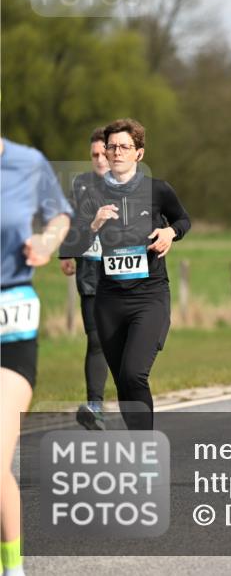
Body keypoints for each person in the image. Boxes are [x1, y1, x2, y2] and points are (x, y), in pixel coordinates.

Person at [60, 119, 191, 430]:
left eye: (124, 147)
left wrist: (170, 232)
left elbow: (183, 219)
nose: (117, 152)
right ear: (104, 152)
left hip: (149, 296)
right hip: (109, 300)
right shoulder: (91, 192)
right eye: (112, 147)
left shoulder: (158, 190)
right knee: (122, 381)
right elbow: (70, 243)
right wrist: (92, 224)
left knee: (134, 373)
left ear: (139, 154)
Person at [1, 137, 72, 576]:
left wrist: (47, 240)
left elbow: (60, 214)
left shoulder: (28, 163)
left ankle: (13, 568)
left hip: (10, 322)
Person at [59, 128, 111, 430]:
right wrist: (66, 253)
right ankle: (95, 405)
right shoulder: (80, 185)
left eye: (105, 153)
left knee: (119, 341)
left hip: (121, 275)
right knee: (95, 338)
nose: (101, 159)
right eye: (95, 155)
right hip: (90, 273)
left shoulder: (128, 185)